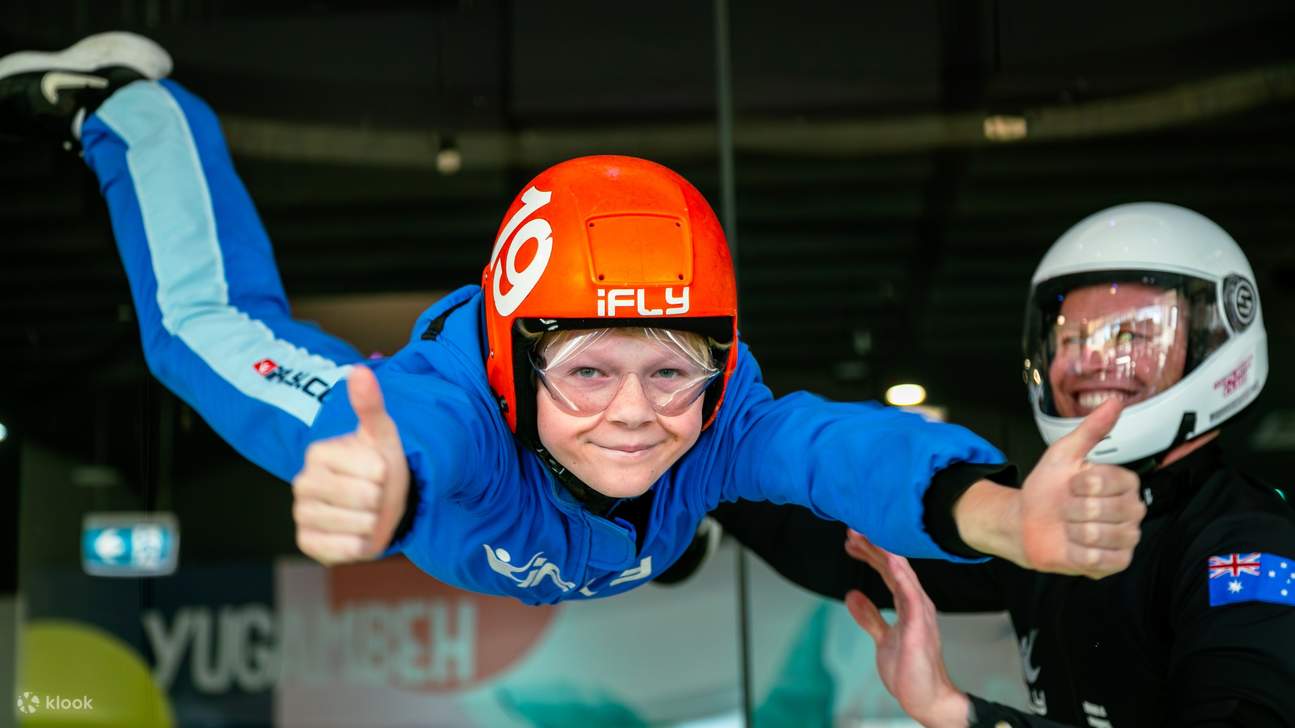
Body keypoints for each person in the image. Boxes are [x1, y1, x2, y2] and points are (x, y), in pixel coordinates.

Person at [0, 32, 1144, 607]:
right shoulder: (465, 422)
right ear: (515, 367)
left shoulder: (719, 418)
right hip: (413, 422)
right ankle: (134, 106)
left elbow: (829, 448)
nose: (639, 419)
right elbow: (412, 443)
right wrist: (377, 481)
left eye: (674, 366)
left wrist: (1001, 513)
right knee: (197, 329)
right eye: (590, 372)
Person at [715, 202, 1295, 726]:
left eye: (1131, 334)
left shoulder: (1245, 545)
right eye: (1071, 336)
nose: (1090, 359)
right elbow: (850, 548)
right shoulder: (1049, 523)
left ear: (1219, 344)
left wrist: (960, 714)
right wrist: (700, 474)